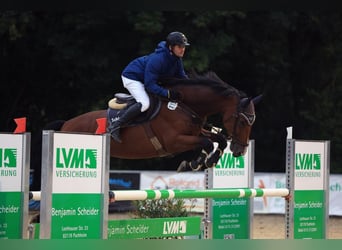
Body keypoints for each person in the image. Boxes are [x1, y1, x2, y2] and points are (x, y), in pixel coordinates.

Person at [109, 31, 190, 143]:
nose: (183, 49)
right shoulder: (158, 60)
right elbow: (150, 85)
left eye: (184, 46)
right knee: (145, 103)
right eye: (179, 46)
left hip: (146, 79)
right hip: (132, 77)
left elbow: (182, 78)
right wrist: (168, 93)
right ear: (171, 47)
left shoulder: (176, 59)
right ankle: (115, 126)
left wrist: (193, 87)